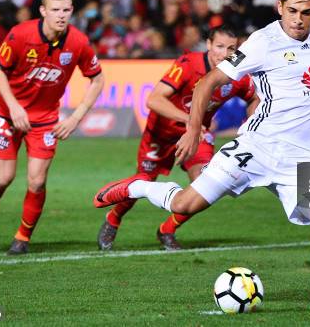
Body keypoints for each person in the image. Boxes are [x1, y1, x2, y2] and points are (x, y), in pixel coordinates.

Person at [93, 0, 310, 312]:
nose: (299, 20)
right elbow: (208, 82)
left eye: (307, 12)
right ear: (279, 6)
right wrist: (194, 129)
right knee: (184, 205)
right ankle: (135, 188)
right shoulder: (262, 42)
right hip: (257, 147)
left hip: (302, 157)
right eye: (292, 11)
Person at [97, 25, 259, 251]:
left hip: (198, 135)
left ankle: (167, 229)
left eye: (231, 48)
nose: (224, 54)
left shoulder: (236, 74)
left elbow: (255, 98)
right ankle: (113, 219)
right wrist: (190, 121)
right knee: (145, 180)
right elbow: (154, 99)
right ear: (209, 45)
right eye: (219, 46)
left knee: (206, 184)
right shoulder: (188, 64)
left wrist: (251, 124)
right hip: (162, 133)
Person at [0, 0, 105, 255]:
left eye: (66, 10)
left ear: (72, 11)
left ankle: (22, 238)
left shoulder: (78, 42)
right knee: (3, 178)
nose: (61, 15)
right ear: (43, 11)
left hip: (45, 120)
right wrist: (13, 107)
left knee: (37, 181)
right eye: (55, 10)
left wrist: (76, 117)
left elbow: (98, 79)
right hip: (8, 114)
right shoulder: (21, 34)